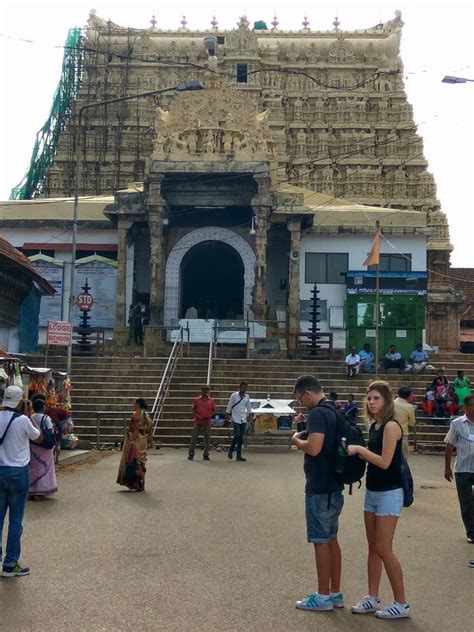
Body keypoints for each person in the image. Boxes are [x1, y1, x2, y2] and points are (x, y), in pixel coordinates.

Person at [347, 381, 410, 619]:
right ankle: (372, 597)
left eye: (376, 398)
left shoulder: (391, 426)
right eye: (369, 398)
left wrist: (360, 451)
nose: (371, 402)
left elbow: (384, 461)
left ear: (386, 401)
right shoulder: (375, 426)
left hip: (389, 492)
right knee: (372, 547)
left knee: (384, 547)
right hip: (373, 491)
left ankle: (402, 603)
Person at [291, 375, 345, 612]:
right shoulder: (334, 410)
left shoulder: (317, 414)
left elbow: (314, 447)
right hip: (335, 484)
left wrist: (296, 440)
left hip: (319, 485)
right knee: (332, 538)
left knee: (320, 541)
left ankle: (322, 595)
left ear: (307, 393)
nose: (301, 403)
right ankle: (334, 592)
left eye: (300, 398)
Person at [0, 386, 42, 577]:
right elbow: (39, 437)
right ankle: (10, 564)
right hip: (18, 473)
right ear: (20, 401)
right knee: (16, 521)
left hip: (0, 471)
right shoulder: (24, 420)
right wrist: (29, 414)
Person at [444, 394, 474, 544]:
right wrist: (447, 467)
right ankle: (471, 532)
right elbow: (449, 445)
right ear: (466, 407)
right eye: (472, 405)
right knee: (466, 501)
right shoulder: (457, 423)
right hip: (463, 468)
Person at [117, 398, 152, 492]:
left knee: (133, 460)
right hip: (143, 440)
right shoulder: (146, 415)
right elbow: (149, 428)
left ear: (137, 404)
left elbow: (135, 428)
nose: (133, 405)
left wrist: (132, 441)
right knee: (141, 462)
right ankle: (141, 482)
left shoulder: (136, 414)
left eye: (134, 403)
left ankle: (135, 483)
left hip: (136, 439)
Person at [29, 398, 57, 500]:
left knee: (33, 467)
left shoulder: (30, 417)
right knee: (45, 468)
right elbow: (50, 431)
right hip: (44, 447)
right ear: (43, 407)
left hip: (33, 445)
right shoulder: (46, 418)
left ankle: (32, 490)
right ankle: (41, 491)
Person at [225, 382, 253, 462]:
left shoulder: (247, 397)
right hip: (235, 418)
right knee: (237, 435)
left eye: (245, 388)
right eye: (242, 388)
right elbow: (230, 405)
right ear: (239, 387)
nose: (244, 389)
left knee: (240, 437)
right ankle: (231, 449)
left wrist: (250, 415)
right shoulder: (234, 395)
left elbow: (248, 407)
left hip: (243, 418)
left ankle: (238, 455)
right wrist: (227, 414)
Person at [188, 386, 216, 461]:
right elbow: (193, 409)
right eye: (204, 390)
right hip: (198, 421)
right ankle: (191, 454)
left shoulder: (211, 400)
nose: (205, 392)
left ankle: (206, 454)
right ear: (201, 391)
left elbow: (214, 410)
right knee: (194, 438)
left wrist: (210, 415)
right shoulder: (197, 400)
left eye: (207, 390)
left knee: (207, 439)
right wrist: (197, 416)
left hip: (207, 421)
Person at [394, 387, 415, 455]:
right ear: (408, 396)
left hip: (389, 434)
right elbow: (411, 423)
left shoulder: (391, 403)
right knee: (403, 459)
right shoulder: (409, 407)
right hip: (403, 435)